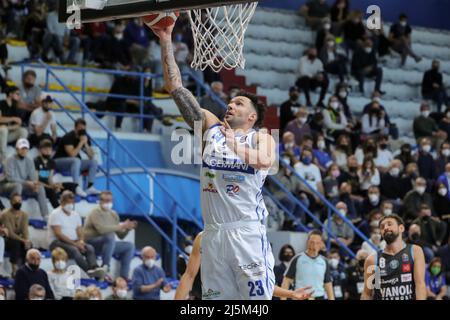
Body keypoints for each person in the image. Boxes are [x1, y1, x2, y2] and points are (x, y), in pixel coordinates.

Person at [149, 21, 277, 300]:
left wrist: (236, 146)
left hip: (247, 233)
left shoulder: (260, 137)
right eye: (231, 102)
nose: (231, 104)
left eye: (239, 103)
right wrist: (165, 39)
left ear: (252, 117)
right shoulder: (212, 129)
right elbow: (175, 87)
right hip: (213, 235)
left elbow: (266, 161)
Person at [175, 232, 312, 300]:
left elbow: (260, 285)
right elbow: (189, 276)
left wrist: (291, 294)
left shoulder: (247, 241)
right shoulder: (203, 237)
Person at [361, 214, 426, 300]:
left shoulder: (415, 251)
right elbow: (367, 294)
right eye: (382, 227)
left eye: (389, 224)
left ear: (401, 228)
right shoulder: (372, 260)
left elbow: (420, 285)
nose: (386, 228)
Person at [47, 190, 105, 279]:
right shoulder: (55, 214)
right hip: (56, 242)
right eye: (67, 203)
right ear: (62, 202)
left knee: (89, 248)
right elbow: (59, 234)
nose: (70, 205)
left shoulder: (75, 214)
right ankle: (88, 270)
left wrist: (81, 241)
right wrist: (75, 244)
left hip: (73, 241)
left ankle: (95, 268)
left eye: (72, 203)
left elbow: (80, 231)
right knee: (74, 250)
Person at [83, 190, 137, 279]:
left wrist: (127, 228)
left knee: (129, 246)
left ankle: (123, 277)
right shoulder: (95, 212)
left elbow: (120, 235)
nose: (108, 203)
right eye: (105, 200)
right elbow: (101, 230)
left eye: (110, 200)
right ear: (100, 201)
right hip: (91, 243)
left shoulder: (114, 214)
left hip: (107, 244)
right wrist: (121, 226)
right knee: (110, 236)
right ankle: (105, 266)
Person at [53, 118, 100, 197]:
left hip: (73, 163)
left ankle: (90, 187)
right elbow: (72, 154)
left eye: (83, 128)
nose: (82, 130)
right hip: (58, 162)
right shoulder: (68, 137)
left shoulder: (85, 137)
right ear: (75, 128)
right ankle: (76, 186)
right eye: (80, 128)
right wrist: (81, 142)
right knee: (76, 160)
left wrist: (86, 144)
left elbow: (91, 156)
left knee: (93, 162)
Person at [282, 230, 335, 300]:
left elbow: (328, 284)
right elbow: (286, 281)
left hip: (319, 297)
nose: (314, 245)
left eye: (317, 243)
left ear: (321, 244)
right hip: (300, 297)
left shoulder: (324, 261)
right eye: (312, 242)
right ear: (307, 242)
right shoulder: (297, 259)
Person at [4, 138, 49, 220]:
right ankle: (15, 215)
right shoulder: (9, 160)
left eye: (25, 148)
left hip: (23, 185)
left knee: (40, 188)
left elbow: (32, 178)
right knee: (18, 186)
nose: (24, 150)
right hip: (7, 185)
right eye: (22, 148)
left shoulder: (29, 161)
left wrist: (34, 184)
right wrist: (27, 183)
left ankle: (46, 216)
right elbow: (10, 178)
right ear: (17, 149)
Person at [0, 193, 31, 275]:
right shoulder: (5, 214)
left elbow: (25, 230)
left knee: (29, 245)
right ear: (10, 202)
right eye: (15, 201)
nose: (18, 202)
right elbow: (10, 233)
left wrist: (27, 240)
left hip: (18, 238)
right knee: (16, 243)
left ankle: (25, 268)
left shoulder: (24, 214)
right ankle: (14, 270)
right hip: (7, 239)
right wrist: (23, 240)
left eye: (19, 200)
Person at [0, 86, 28, 160]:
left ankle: (19, 154)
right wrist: (12, 118)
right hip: (1, 132)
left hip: (8, 131)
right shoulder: (1, 103)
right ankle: (3, 156)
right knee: (3, 129)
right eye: (17, 94)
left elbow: (18, 123)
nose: (19, 96)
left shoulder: (14, 106)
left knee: (23, 131)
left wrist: (9, 127)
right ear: (10, 94)